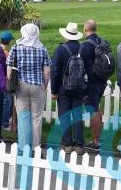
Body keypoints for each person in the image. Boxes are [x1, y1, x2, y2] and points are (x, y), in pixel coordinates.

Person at [8, 23, 50, 152]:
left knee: (23, 116)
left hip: (20, 84)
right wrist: (45, 86)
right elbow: (47, 71)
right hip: (37, 85)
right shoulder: (42, 48)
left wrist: (11, 83)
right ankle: (36, 147)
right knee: (36, 117)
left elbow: (9, 69)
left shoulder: (16, 47)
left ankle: (23, 147)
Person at [50, 22, 86, 155]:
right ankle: (79, 145)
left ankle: (67, 144)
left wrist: (54, 91)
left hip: (63, 88)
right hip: (79, 87)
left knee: (65, 116)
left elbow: (55, 72)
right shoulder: (83, 48)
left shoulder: (60, 49)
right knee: (77, 116)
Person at [79, 20, 112, 150]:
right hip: (102, 79)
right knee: (96, 107)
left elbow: (81, 65)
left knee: (92, 110)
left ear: (85, 29)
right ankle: (99, 137)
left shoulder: (85, 45)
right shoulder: (103, 41)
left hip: (91, 82)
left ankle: (96, 141)